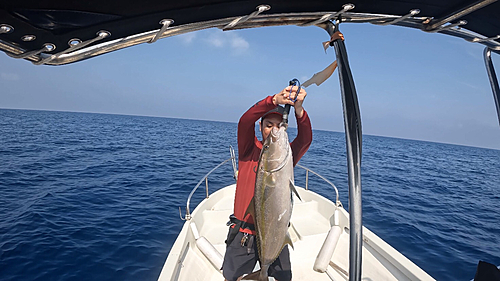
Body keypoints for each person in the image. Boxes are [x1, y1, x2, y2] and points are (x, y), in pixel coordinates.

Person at [222, 85, 313, 281]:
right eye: (268, 125)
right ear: (261, 127)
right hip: (243, 233)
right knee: (231, 278)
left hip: (276, 233)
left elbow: (305, 139)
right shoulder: (248, 150)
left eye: (279, 125)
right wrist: (273, 101)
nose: (273, 130)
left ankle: (264, 273)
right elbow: (245, 121)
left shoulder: (286, 155)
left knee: (283, 277)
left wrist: (299, 110)